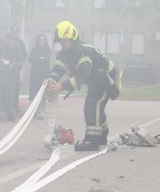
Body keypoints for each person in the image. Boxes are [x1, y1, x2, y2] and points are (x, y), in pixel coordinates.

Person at [45, 21, 119, 150]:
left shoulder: (82, 51)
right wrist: (51, 79)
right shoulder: (63, 54)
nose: (63, 44)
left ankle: (92, 141)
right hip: (96, 79)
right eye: (60, 42)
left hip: (104, 77)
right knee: (97, 107)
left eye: (65, 41)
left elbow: (84, 74)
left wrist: (62, 86)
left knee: (92, 105)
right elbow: (58, 69)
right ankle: (101, 136)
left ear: (72, 38)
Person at [0, 31, 24, 122]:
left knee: (10, 95)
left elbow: (20, 61)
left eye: (12, 42)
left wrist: (12, 65)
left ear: (14, 41)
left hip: (12, 75)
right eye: (8, 42)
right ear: (5, 40)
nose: (10, 44)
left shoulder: (17, 48)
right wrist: (1, 61)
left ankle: (10, 115)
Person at [28, 34, 51, 118]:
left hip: (43, 74)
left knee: (42, 94)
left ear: (45, 41)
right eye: (39, 40)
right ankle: (34, 112)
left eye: (42, 40)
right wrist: (40, 58)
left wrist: (46, 77)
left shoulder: (47, 50)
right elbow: (30, 59)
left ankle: (41, 112)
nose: (41, 41)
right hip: (34, 74)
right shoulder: (34, 49)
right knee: (34, 93)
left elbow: (46, 60)